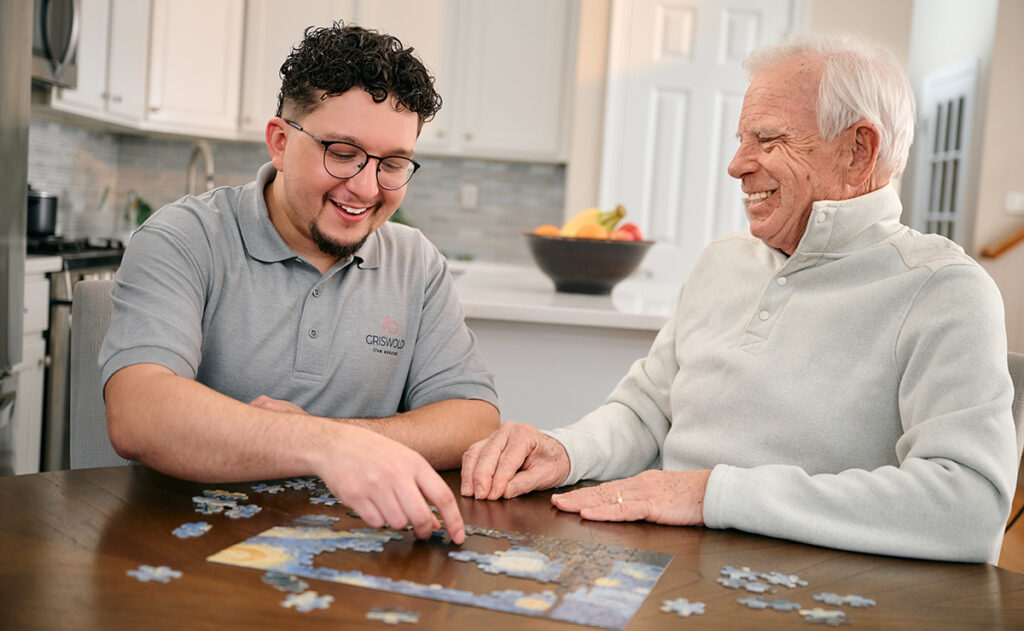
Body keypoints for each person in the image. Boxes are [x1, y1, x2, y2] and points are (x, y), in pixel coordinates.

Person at [461, 34, 1019, 562]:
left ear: (857, 150)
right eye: (741, 139)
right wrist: (565, 451)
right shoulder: (720, 262)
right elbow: (647, 412)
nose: (737, 165)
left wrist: (710, 495)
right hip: (662, 567)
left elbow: (967, 506)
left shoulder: (943, 289)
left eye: (767, 139)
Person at [101, 23, 501, 544]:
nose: (364, 186)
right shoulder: (184, 237)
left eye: (393, 163)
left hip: (354, 550)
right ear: (281, 143)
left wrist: (342, 438)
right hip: (183, 544)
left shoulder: (417, 263)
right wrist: (319, 446)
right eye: (341, 151)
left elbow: (473, 418)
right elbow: (138, 413)